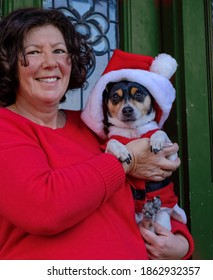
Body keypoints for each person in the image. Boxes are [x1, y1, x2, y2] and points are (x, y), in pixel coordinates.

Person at [0, 7, 194, 260]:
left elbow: (147, 193)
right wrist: (126, 162)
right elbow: (44, 208)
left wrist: (179, 243)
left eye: (59, 51)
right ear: (8, 62)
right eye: (34, 52)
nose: (50, 62)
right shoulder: (7, 126)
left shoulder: (96, 127)